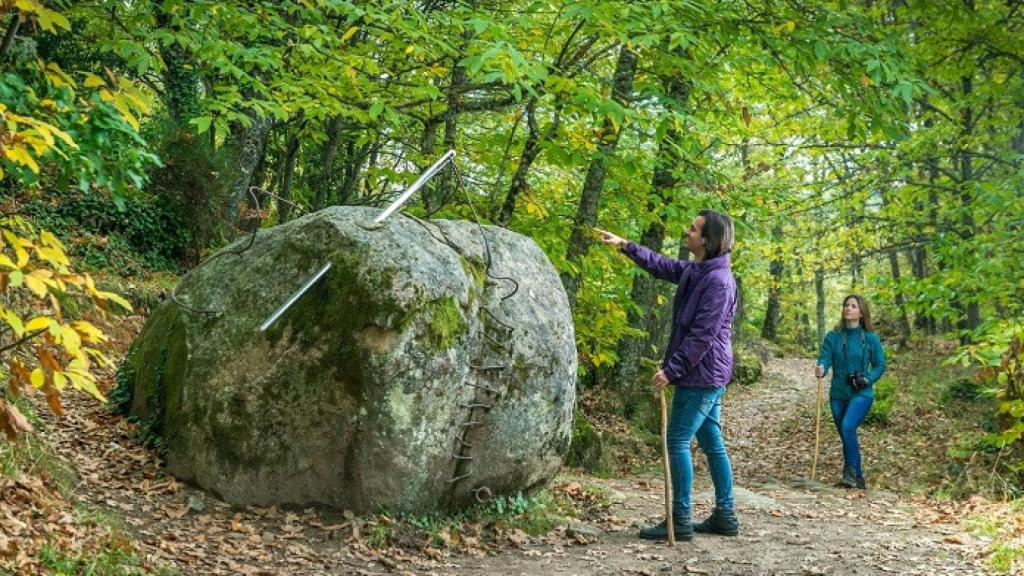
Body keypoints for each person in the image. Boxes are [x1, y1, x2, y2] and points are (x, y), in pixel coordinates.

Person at [597, 210, 739, 542]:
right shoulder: (698, 270)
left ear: (708, 239)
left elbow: (703, 336)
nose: (686, 231)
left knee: (676, 441)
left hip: (701, 374)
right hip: (706, 373)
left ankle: (680, 519)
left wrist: (671, 370)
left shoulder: (718, 281)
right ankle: (725, 515)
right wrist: (625, 246)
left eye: (693, 229)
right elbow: (663, 266)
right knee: (711, 441)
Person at [814, 295, 886, 489]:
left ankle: (849, 474)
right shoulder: (833, 337)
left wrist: (868, 379)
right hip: (838, 395)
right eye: (846, 305)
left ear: (861, 313)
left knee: (847, 427)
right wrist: (821, 367)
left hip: (861, 394)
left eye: (853, 306)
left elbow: (880, 365)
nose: (848, 308)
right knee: (847, 434)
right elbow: (825, 358)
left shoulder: (871, 338)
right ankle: (858, 478)